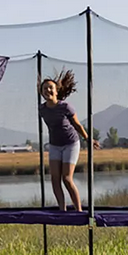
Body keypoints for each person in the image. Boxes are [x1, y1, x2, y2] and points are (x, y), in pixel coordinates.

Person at [38, 69, 99, 211]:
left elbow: (77, 125)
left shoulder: (65, 107)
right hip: (54, 145)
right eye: (45, 89)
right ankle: (62, 209)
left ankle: (79, 210)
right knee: (55, 179)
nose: (48, 91)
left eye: (50, 88)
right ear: (42, 92)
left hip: (71, 144)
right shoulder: (42, 109)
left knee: (66, 178)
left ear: (56, 91)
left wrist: (88, 139)